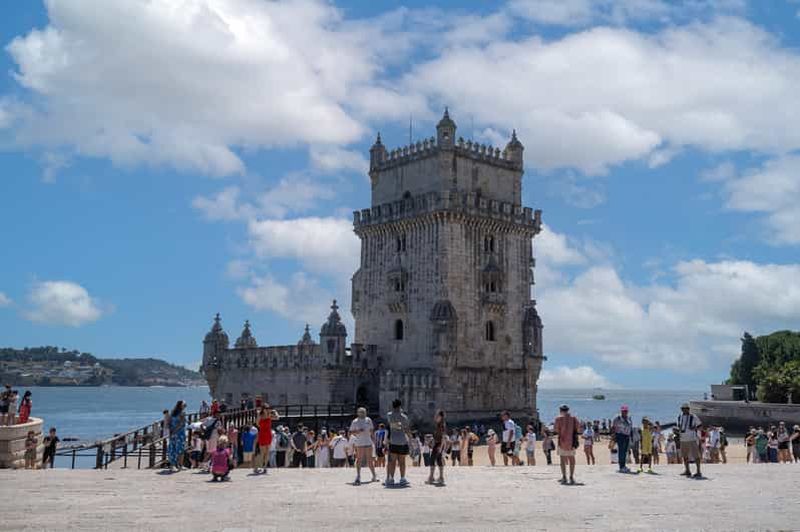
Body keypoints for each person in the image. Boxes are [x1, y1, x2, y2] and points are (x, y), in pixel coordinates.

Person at [385, 398, 411, 487]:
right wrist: (411, 438)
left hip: (393, 441)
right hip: (402, 441)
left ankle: (391, 478)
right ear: (400, 406)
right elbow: (406, 429)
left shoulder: (389, 415)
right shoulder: (404, 417)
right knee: (402, 461)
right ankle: (402, 478)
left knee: (393, 461)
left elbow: (391, 422)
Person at [349, 407, 377, 484]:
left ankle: (374, 475)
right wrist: (358, 431)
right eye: (361, 412)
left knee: (370, 460)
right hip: (359, 442)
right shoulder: (355, 421)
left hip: (368, 441)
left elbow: (371, 431)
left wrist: (374, 440)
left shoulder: (368, 420)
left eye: (363, 412)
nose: (362, 413)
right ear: (358, 413)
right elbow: (351, 431)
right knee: (359, 459)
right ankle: (358, 475)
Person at [553, 404, 580, 485]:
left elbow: (556, 430)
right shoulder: (574, 418)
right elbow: (578, 428)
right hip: (572, 442)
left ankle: (564, 477)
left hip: (562, 441)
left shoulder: (558, 419)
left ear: (560, 410)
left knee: (562, 460)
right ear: (568, 410)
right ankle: (571, 477)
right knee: (572, 459)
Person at [677, 403, 702, 478]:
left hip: (692, 438)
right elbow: (679, 426)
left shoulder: (693, 417)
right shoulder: (679, 417)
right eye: (683, 408)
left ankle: (698, 471)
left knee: (696, 455)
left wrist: (694, 428)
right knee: (685, 456)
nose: (684, 410)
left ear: (688, 409)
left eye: (686, 408)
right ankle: (687, 470)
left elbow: (700, 426)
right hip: (683, 439)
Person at [254, 404, 279, 474]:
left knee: (267, 452)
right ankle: (259, 466)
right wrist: (259, 414)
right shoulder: (260, 415)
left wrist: (275, 411)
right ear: (263, 409)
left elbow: (277, 418)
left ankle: (265, 467)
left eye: (268, 408)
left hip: (268, 434)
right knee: (262, 452)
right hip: (262, 434)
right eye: (266, 408)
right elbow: (257, 424)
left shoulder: (270, 415)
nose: (268, 409)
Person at [427, 409, 447, 486]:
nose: (435, 417)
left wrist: (441, 447)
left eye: (437, 415)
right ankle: (440, 477)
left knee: (432, 459)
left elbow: (443, 437)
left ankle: (432, 477)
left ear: (440, 417)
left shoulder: (441, 425)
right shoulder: (438, 424)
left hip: (439, 444)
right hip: (437, 443)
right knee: (438, 460)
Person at [611, 405, 633, 473]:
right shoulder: (617, 418)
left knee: (625, 451)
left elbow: (630, 427)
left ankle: (624, 465)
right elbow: (613, 427)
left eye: (626, 411)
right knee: (621, 451)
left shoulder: (629, 418)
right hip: (620, 435)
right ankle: (621, 466)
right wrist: (613, 436)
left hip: (627, 436)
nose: (625, 412)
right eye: (623, 411)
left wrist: (631, 436)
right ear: (621, 411)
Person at [167, 401, 187, 471]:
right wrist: (175, 430)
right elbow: (181, 424)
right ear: (181, 406)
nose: (185, 406)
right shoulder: (182, 413)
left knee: (173, 449)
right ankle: (180, 466)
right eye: (184, 405)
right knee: (180, 450)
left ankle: (173, 465)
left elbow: (168, 423)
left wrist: (171, 432)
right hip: (180, 433)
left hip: (173, 434)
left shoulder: (172, 413)